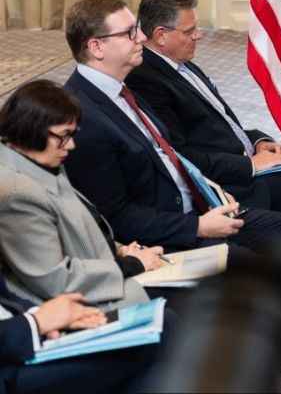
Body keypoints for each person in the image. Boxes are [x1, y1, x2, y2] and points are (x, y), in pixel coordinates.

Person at [59, 0, 281, 343]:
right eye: (129, 33)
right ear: (96, 47)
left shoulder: (120, 90)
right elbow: (114, 216)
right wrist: (198, 223)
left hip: (203, 197)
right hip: (172, 228)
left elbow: (180, 148)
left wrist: (212, 189)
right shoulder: (85, 116)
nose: (139, 38)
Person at [124, 0, 281, 311]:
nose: (198, 36)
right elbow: (182, 157)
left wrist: (259, 141)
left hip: (245, 156)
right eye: (191, 30)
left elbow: (223, 121)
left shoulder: (180, 63)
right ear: (161, 34)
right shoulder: (147, 80)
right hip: (227, 179)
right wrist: (252, 164)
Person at [0, 80, 161, 310]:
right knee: (174, 306)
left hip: (92, 282)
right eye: (65, 135)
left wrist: (116, 249)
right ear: (31, 128)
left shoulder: (36, 158)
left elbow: (73, 229)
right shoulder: (17, 192)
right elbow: (55, 279)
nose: (71, 145)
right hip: (69, 308)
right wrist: (130, 265)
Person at [1, 273, 159, 393]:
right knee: (162, 329)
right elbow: (55, 277)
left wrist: (44, 316)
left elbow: (6, 299)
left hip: (27, 336)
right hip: (8, 370)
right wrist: (34, 323)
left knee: (155, 333)